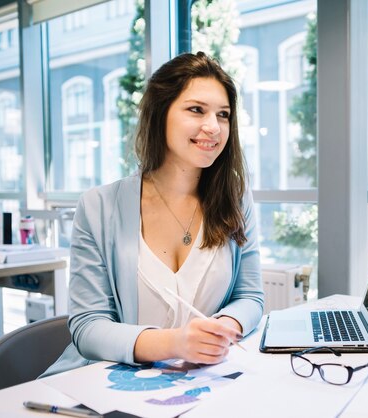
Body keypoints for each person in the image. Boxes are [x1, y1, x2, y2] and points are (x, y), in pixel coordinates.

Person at [44, 52, 264, 376]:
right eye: (196, 110)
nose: (213, 127)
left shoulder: (235, 200)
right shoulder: (98, 206)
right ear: (160, 113)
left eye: (223, 115)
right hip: (102, 386)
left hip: (195, 385)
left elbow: (251, 297)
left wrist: (222, 328)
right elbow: (88, 328)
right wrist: (176, 343)